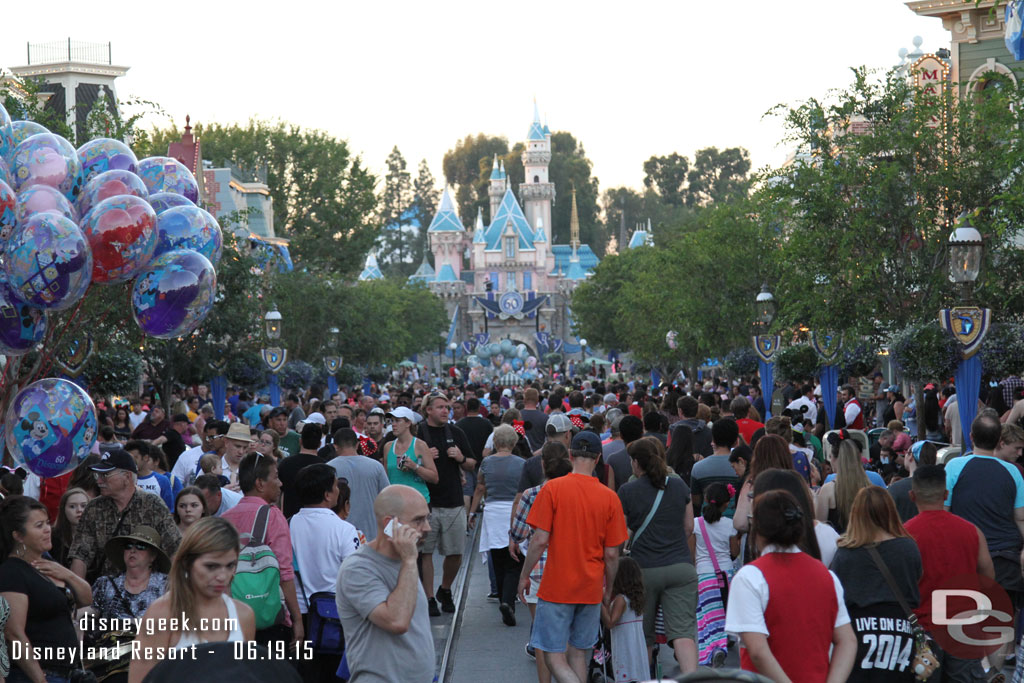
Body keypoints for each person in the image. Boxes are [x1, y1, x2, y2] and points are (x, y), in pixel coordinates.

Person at [518, 426, 628, 683]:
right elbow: (612, 555)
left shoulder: (553, 490)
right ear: (598, 459)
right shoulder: (609, 498)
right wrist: (608, 588)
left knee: (553, 656)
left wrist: (524, 575)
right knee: (579, 654)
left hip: (557, 585)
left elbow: (539, 539)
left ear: (570, 454)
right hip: (590, 587)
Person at [725, 489, 856, 681]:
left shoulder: (750, 577)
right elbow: (848, 641)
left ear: (758, 529)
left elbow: (758, 651)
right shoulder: (827, 576)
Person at [128, 517, 256, 683]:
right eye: (211, 566)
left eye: (230, 565)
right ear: (187, 562)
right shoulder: (163, 613)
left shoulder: (244, 615)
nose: (222, 576)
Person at [945, 413, 1024, 676]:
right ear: (999, 440)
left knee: (962, 622)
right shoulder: (1013, 472)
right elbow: (1021, 518)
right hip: (1005, 558)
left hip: (965, 559)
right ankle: (994, 675)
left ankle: (976, 674)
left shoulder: (954, 467)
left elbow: (943, 513)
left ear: (970, 437)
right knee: (999, 624)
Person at [335, 485, 434, 683]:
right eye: (418, 520)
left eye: (427, 518)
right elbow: (397, 621)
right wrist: (408, 561)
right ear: (390, 524)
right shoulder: (358, 568)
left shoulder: (406, 560)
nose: (427, 528)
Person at [904, 465, 994, 681]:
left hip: (923, 632)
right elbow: (988, 576)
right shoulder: (972, 531)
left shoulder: (904, 534)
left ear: (912, 496)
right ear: (945, 494)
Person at [617, 437, 698, 674]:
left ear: (635, 463)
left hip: (644, 570)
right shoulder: (679, 486)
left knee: (645, 635)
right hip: (681, 567)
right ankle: (692, 679)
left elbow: (622, 536)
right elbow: (689, 527)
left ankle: (646, 677)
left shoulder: (627, 491)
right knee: (683, 633)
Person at [829, 487, 922, 682]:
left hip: (859, 633)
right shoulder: (908, 548)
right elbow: (915, 585)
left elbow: (836, 597)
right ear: (890, 511)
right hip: (901, 633)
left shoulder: (846, 553)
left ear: (856, 515)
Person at [0, 495, 92, 683]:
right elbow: (13, 634)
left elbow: (86, 599)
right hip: (38, 674)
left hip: (67, 672)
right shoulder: (12, 572)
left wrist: (68, 574)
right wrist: (39, 680)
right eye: (39, 526)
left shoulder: (48, 565)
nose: (47, 530)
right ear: (18, 535)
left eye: (47, 523)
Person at [220, 452, 304, 646]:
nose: (280, 483)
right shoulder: (272, 516)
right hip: (269, 619)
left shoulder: (224, 518)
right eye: (275, 477)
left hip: (233, 618)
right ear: (259, 483)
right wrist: (297, 619)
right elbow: (284, 572)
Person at [290, 464, 360, 683]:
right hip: (335, 617)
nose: (338, 490)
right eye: (335, 485)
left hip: (300, 615)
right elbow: (354, 574)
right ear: (327, 495)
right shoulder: (343, 529)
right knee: (334, 674)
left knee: (308, 674)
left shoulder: (289, 523)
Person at [69, 449, 181, 582]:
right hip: (105, 593)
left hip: (146, 592)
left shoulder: (152, 505)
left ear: (127, 477)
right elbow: (80, 555)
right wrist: (78, 594)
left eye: (105, 475)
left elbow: (174, 549)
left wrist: (174, 591)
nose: (98, 481)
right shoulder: (94, 508)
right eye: (97, 475)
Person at [509, 442, 572, 678]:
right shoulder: (578, 492)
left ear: (543, 464)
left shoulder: (532, 494)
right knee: (568, 634)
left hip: (540, 570)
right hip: (572, 567)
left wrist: (514, 539)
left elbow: (520, 532)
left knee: (543, 636)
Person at [416, 394, 474, 617]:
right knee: (426, 552)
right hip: (426, 503)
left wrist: (460, 458)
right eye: (440, 407)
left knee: (456, 552)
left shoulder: (456, 432)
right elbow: (405, 461)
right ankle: (429, 597)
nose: (445, 411)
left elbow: (471, 464)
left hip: (453, 501)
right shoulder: (419, 434)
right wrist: (422, 458)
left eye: (447, 407)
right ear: (428, 410)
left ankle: (446, 589)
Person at [468, 425, 526, 626]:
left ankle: (503, 598)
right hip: (513, 510)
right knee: (514, 560)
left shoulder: (487, 462)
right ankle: (508, 601)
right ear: (513, 442)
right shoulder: (521, 464)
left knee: (498, 558)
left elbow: (480, 486)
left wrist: (472, 511)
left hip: (492, 511)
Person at [89, 525, 170, 666]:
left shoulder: (167, 585)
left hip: (151, 658)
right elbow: (89, 614)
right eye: (128, 546)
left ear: (153, 556)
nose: (133, 550)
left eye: (141, 546)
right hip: (109, 662)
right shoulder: (105, 583)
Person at [691, 482, 739, 667]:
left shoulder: (696, 524)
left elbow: (692, 553)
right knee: (722, 615)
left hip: (704, 576)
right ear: (726, 504)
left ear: (705, 500)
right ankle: (721, 646)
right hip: (726, 576)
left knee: (707, 617)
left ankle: (713, 649)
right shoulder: (730, 525)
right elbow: (734, 552)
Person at [327, 427, 390, 540]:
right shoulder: (376, 466)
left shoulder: (328, 469)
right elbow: (388, 498)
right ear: (357, 445)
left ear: (335, 446)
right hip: (372, 534)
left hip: (340, 534)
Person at [599, 556, 649, 683]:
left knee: (626, 676)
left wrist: (599, 604)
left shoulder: (621, 599)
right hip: (637, 645)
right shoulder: (636, 598)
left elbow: (610, 622)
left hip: (625, 645)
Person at [815, 436, 875, 533]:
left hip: (838, 544)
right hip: (866, 543)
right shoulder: (869, 486)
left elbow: (820, 529)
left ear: (838, 459)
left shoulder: (828, 489)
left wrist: (815, 501)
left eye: (830, 457)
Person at [690, 418, 740, 516]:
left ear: (713, 440)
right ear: (735, 442)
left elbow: (696, 500)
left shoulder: (697, 467)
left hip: (705, 523)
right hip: (734, 522)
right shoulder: (741, 467)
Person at [277, 423, 327, 518]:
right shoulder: (326, 467)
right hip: (318, 521)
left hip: (290, 521)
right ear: (319, 444)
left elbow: (278, 495)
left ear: (300, 441)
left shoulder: (285, 464)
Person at [124, 440, 179, 510]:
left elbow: (169, 509)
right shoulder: (124, 479)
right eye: (129, 458)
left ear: (146, 458)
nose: (131, 461)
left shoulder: (162, 480)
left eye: (135, 458)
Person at [50, 487, 88, 568]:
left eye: (83, 506)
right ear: (63, 509)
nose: (79, 510)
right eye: (72, 506)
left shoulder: (98, 536)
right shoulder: (51, 537)